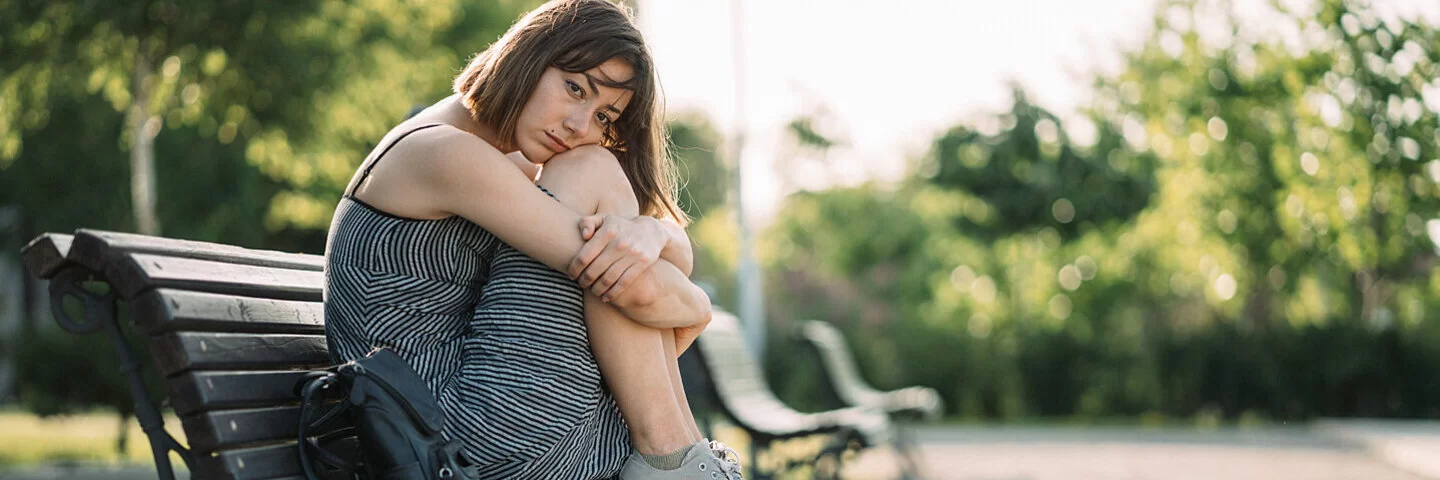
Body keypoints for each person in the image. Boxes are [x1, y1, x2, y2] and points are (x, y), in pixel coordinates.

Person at [322, 0, 743, 479]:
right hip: (466, 442)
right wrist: (697, 307)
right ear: (527, 55)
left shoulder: (501, 161)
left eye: (605, 116)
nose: (579, 125)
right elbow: (637, 288)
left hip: (486, 426)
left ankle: (678, 458)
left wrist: (650, 232)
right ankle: (671, 456)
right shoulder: (442, 155)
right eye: (573, 87)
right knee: (594, 171)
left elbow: (657, 260)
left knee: (603, 204)